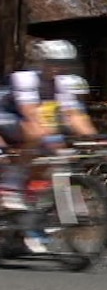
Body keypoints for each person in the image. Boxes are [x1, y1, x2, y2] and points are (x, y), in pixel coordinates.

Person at [0, 39, 99, 253]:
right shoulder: (24, 79)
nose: (59, 66)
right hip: (5, 117)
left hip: (28, 122)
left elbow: (75, 116)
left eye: (64, 62)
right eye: (53, 61)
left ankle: (28, 222)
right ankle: (11, 186)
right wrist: (54, 142)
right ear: (41, 61)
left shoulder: (63, 84)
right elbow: (32, 114)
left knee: (48, 167)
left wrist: (96, 138)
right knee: (38, 133)